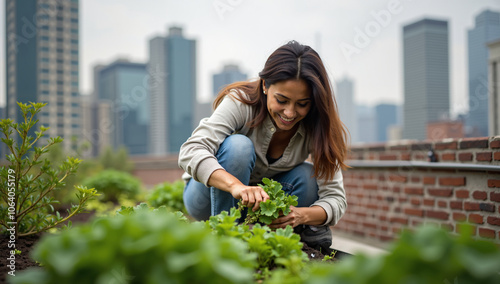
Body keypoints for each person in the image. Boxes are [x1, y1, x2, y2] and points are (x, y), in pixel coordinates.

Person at [178, 40, 349, 251]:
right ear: (265, 85)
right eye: (282, 100)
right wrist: (236, 187)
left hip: (260, 208)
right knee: (238, 146)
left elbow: (336, 198)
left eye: (302, 104)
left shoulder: (318, 125)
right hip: (205, 198)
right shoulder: (241, 102)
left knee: (308, 175)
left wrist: (301, 215)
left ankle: (267, 235)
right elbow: (191, 150)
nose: (290, 113)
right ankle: (225, 239)